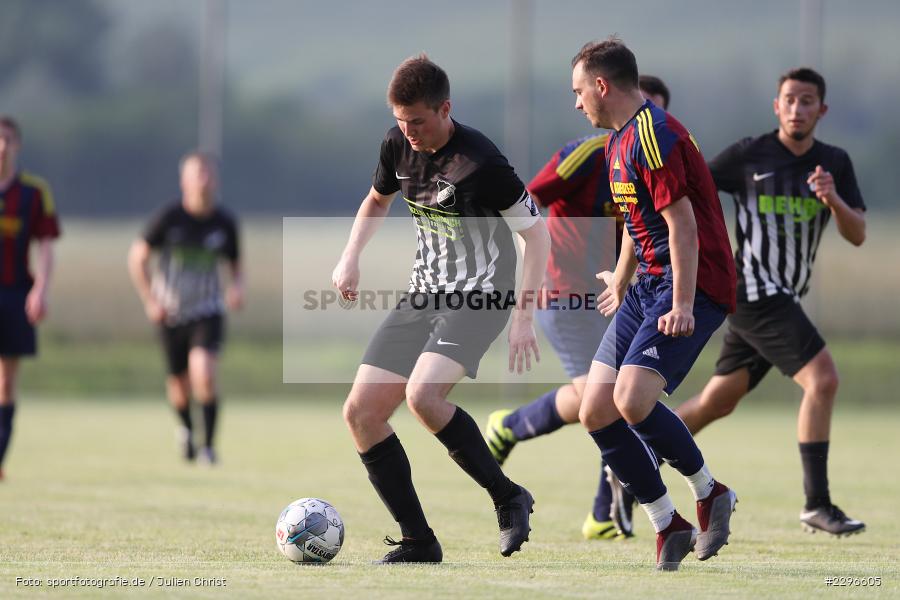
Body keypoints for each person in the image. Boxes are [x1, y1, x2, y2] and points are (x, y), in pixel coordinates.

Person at [332, 54, 551, 563]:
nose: (407, 132)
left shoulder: (483, 163)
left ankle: (508, 496)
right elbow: (377, 200)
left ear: (445, 109)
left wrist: (523, 316)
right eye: (400, 120)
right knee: (361, 414)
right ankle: (418, 541)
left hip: (480, 296)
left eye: (417, 121)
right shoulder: (395, 144)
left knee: (423, 396)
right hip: (424, 293)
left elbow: (536, 238)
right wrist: (350, 256)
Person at [673, 68, 866, 536]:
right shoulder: (749, 154)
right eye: (789, 100)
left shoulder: (834, 162)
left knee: (720, 400)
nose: (797, 108)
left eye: (807, 101)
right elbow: (691, 188)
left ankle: (631, 455)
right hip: (755, 293)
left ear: (821, 110)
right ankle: (817, 504)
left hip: (781, 296)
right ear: (775, 106)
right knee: (823, 380)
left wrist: (833, 199)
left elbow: (857, 233)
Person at [570, 37, 738, 571]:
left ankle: (710, 492)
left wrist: (684, 302)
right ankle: (668, 522)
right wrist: (620, 279)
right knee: (595, 409)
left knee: (633, 400)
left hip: (693, 282)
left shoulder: (654, 133)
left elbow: (681, 225)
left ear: (602, 85)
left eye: (579, 91)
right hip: (648, 286)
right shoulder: (619, 140)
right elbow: (633, 222)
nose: (576, 103)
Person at [484, 75, 671, 542]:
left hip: (615, 297)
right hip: (563, 292)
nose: (652, 124)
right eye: (647, 110)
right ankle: (603, 512)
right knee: (606, 399)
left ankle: (509, 425)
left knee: (599, 397)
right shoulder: (589, 155)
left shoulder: (654, 161)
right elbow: (524, 204)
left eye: (660, 115)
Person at [128, 152, 243, 465]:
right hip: (170, 313)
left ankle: (208, 446)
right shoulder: (169, 218)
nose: (203, 179)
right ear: (184, 181)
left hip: (207, 311)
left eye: (208, 173)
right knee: (178, 385)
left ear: (215, 180)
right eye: (197, 173)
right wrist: (150, 300)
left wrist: (237, 287)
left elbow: (235, 262)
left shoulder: (225, 222)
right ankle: (186, 430)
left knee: (203, 374)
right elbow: (138, 257)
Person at [0, 116, 61, 481]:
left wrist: (41, 289)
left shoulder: (34, 193)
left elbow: (48, 246)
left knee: (6, 381)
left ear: (18, 145)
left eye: (8, 139)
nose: (2, 146)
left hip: (15, 293)